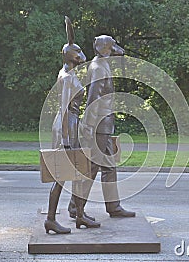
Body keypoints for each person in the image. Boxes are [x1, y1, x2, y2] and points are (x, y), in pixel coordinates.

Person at [68, 35, 136, 218]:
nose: (116, 49)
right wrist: (89, 127)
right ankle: (75, 206)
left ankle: (112, 206)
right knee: (91, 167)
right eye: (113, 46)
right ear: (106, 48)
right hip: (98, 126)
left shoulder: (102, 64)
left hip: (104, 125)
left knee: (108, 166)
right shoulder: (98, 67)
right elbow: (94, 99)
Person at [45, 16, 100, 234]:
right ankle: (50, 219)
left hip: (71, 124)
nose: (82, 55)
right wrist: (67, 141)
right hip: (66, 125)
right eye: (78, 52)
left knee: (78, 171)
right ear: (70, 56)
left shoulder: (70, 74)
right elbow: (65, 107)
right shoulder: (67, 78)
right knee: (62, 175)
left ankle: (80, 215)